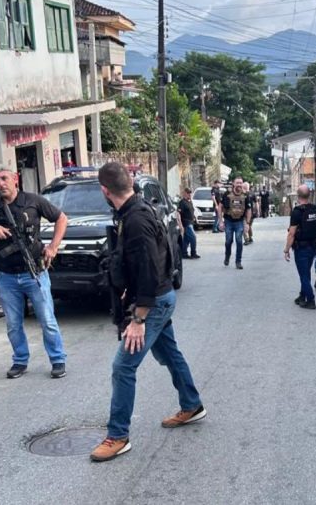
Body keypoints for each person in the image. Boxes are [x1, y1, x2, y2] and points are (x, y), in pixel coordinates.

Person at [90, 162, 205, 463]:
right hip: (160, 298)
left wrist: (139, 318)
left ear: (104, 189)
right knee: (169, 354)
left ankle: (118, 436)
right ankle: (192, 404)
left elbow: (149, 273)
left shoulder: (137, 220)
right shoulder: (131, 212)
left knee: (123, 367)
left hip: (153, 302)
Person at [0, 165, 68, 379]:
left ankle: (58, 359)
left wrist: (53, 247)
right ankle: (20, 361)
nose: (1, 184)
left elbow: (61, 219)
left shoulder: (33, 201)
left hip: (33, 272)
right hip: (6, 275)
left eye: (4, 178)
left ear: (15, 179)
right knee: (13, 324)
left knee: (47, 320)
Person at [284, 185, 316, 310]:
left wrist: (287, 249)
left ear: (298, 196)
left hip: (301, 248)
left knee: (303, 275)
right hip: (314, 247)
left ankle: (311, 299)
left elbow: (292, 233)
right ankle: (302, 296)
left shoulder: (297, 212)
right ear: (309, 195)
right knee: (306, 273)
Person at [219, 177, 252, 269]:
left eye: (241, 183)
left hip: (239, 222)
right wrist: (220, 221)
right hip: (228, 221)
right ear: (233, 184)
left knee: (239, 241)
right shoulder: (227, 194)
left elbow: (249, 209)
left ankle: (238, 261)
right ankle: (227, 255)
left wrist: (247, 223)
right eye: (237, 183)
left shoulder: (245, 195)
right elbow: (220, 207)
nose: (239, 185)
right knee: (228, 241)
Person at [177, 188, 199, 259]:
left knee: (186, 240)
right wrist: (180, 225)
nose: (190, 194)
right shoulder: (182, 202)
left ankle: (184, 253)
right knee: (193, 238)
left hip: (191, 222)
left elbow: (192, 211)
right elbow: (178, 214)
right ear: (184, 193)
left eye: (190, 193)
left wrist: (195, 218)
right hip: (186, 223)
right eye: (188, 193)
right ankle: (193, 253)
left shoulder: (190, 202)